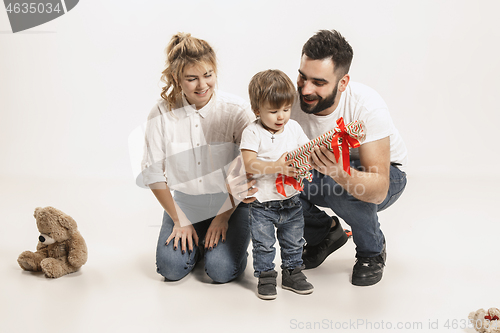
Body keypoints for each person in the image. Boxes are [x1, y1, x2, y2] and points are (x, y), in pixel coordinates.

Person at [291, 30, 408, 286]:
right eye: (302, 77)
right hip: (322, 171)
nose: (306, 89)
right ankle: (325, 233)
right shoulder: (288, 101)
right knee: (276, 183)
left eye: (319, 83)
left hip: (385, 175)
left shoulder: (366, 106)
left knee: (338, 186)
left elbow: (379, 189)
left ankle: (371, 251)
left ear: (343, 83)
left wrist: (339, 172)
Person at [141, 33, 256, 283]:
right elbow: (152, 172)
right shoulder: (161, 113)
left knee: (221, 271)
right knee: (170, 269)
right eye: (191, 79)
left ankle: (221, 248)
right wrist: (179, 219)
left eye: (208, 75)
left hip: (231, 204)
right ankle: (201, 241)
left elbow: (250, 171)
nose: (202, 85)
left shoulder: (236, 112)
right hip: (185, 204)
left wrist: (224, 215)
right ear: (176, 78)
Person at [240, 70, 313, 300]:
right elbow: (250, 164)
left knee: (294, 240)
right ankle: (266, 276)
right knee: (264, 244)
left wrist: (306, 165)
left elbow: (307, 153)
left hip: (290, 200)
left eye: (286, 109)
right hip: (262, 205)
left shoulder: (294, 128)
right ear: (257, 110)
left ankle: (292, 272)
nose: (281, 116)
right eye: (273, 111)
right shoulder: (253, 132)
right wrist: (277, 167)